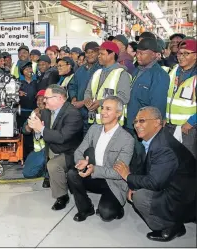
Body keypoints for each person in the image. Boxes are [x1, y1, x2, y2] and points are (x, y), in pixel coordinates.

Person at [114, 106, 196, 242]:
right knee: (137, 189)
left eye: (142, 121)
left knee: (140, 197)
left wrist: (128, 176)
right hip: (175, 186)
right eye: (135, 122)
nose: (137, 125)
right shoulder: (155, 139)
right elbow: (146, 168)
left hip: (183, 198)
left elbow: (154, 182)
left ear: (157, 122)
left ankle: (173, 227)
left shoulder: (163, 148)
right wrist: (133, 184)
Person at [68, 96, 134, 222]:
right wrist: (81, 162)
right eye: (102, 108)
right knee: (72, 174)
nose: (103, 112)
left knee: (106, 214)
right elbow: (79, 151)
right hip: (93, 174)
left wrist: (94, 169)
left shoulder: (127, 140)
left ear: (119, 113)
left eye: (108, 109)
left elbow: (118, 173)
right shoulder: (94, 129)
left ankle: (118, 207)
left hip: (112, 181)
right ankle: (86, 208)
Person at [28, 84, 83, 209]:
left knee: (53, 165)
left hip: (69, 152)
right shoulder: (46, 112)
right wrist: (37, 130)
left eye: (47, 97)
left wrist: (40, 129)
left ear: (59, 98)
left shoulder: (73, 114)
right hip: (51, 148)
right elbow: (44, 133)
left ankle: (62, 196)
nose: (44, 100)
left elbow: (62, 137)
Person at [125, 38, 170, 133]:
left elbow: (157, 106)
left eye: (142, 53)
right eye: (137, 53)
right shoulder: (137, 70)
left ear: (153, 54)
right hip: (130, 123)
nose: (138, 56)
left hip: (144, 127)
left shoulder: (159, 75)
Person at [84, 41, 131, 126]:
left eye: (102, 54)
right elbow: (88, 91)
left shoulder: (122, 74)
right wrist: (87, 100)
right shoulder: (97, 72)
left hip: (113, 124)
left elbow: (124, 97)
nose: (98, 56)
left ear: (112, 54)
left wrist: (101, 102)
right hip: (96, 121)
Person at [165, 39, 197, 159]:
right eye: (180, 53)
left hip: (188, 128)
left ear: (195, 56)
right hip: (169, 126)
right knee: (170, 160)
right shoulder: (173, 71)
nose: (181, 57)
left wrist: (191, 122)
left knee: (187, 161)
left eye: (186, 53)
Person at [68, 41, 102, 135]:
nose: (90, 54)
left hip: (94, 115)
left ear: (98, 53)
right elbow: (72, 85)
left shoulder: (101, 70)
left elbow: (100, 92)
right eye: (87, 52)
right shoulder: (80, 70)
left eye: (93, 52)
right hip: (79, 115)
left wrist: (82, 103)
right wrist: (73, 98)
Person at [22, 90, 46, 178]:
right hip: (38, 150)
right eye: (38, 100)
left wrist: (41, 118)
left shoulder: (52, 112)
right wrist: (31, 123)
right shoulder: (34, 113)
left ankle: (48, 172)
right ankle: (44, 169)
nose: (39, 102)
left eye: (41, 99)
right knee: (27, 173)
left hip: (49, 149)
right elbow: (25, 130)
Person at [17, 61, 38, 160]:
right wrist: (17, 93)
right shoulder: (18, 83)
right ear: (22, 72)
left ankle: (34, 156)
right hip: (22, 113)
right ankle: (24, 157)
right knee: (24, 135)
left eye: (30, 68)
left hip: (35, 112)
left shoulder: (37, 81)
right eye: (26, 69)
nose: (29, 70)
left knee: (34, 135)